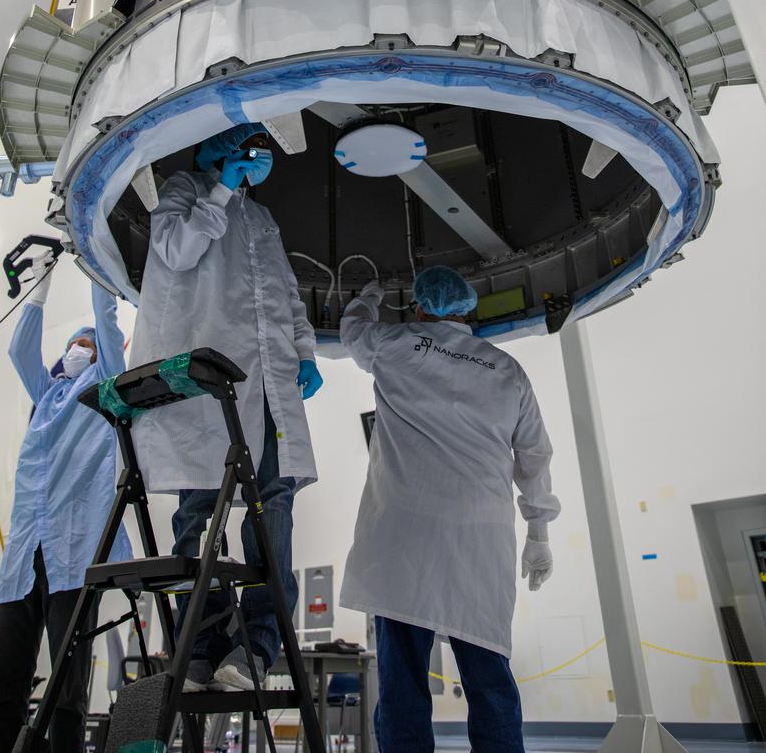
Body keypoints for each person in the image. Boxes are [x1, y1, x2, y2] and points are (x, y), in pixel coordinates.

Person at [129, 122, 323, 691]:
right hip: (208, 384)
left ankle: (256, 648)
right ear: (212, 147)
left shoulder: (261, 217)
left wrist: (304, 350)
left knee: (275, 504)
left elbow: (284, 291)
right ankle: (197, 647)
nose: (248, 156)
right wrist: (218, 188)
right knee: (200, 508)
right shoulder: (182, 192)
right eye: (237, 145)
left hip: (268, 382)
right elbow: (176, 251)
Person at [339, 265, 560, 753]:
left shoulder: (394, 345)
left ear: (419, 305)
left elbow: (351, 331)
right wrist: (539, 531)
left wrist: (369, 297)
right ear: (468, 310)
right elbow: (534, 454)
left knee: (401, 686)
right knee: (490, 684)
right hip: (478, 542)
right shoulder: (506, 370)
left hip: (402, 540)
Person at [0, 256, 131, 753]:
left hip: (71, 559)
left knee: (68, 688)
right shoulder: (45, 395)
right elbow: (20, 350)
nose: (76, 350)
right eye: (73, 345)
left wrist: (95, 265)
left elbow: (108, 329)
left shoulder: (102, 390)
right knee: (6, 685)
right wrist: (41, 288)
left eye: (84, 347)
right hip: (22, 560)